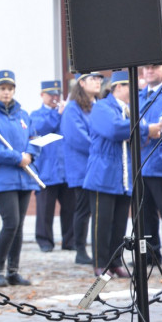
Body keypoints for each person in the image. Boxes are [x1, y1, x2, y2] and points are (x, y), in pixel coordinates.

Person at [85, 70, 160, 276]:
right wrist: (147, 129)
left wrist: (148, 129)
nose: (134, 92)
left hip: (123, 176)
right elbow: (115, 130)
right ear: (118, 87)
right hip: (103, 174)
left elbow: (136, 132)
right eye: (130, 87)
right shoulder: (102, 107)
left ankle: (115, 261)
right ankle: (100, 263)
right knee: (102, 222)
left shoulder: (128, 110)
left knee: (119, 222)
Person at [0, 70, 39, 288]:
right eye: (2, 88)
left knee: (19, 225)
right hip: (2, 177)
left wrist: (29, 154)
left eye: (10, 88)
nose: (6, 92)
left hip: (23, 175)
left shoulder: (22, 113)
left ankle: (13, 271)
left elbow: (34, 137)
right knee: (10, 222)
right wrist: (16, 157)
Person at [62, 72, 104, 266]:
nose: (98, 82)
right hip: (82, 165)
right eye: (93, 78)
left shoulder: (100, 105)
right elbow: (78, 138)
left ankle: (99, 249)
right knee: (83, 208)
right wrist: (102, 149)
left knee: (97, 209)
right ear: (81, 82)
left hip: (100, 163)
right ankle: (80, 249)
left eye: (99, 79)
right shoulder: (73, 108)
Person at [31, 80, 75, 253]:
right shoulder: (36, 114)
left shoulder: (66, 114)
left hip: (66, 169)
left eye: (57, 95)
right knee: (45, 209)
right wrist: (58, 114)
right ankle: (45, 241)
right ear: (42, 95)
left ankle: (69, 241)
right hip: (46, 169)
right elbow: (41, 128)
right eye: (50, 95)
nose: (54, 98)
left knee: (70, 208)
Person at [139, 63, 162, 265]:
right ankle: (151, 255)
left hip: (160, 164)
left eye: (155, 66)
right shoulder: (139, 96)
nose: (149, 70)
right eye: (146, 67)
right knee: (145, 215)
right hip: (142, 164)